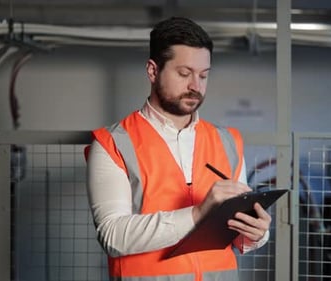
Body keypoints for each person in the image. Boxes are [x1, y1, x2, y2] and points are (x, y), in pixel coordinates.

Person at [86, 16, 271, 281]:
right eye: (184, 74)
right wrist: (196, 214)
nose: (196, 86)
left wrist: (257, 234)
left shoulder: (228, 141)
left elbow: (237, 233)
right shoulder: (112, 143)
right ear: (153, 71)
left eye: (203, 75)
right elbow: (113, 236)